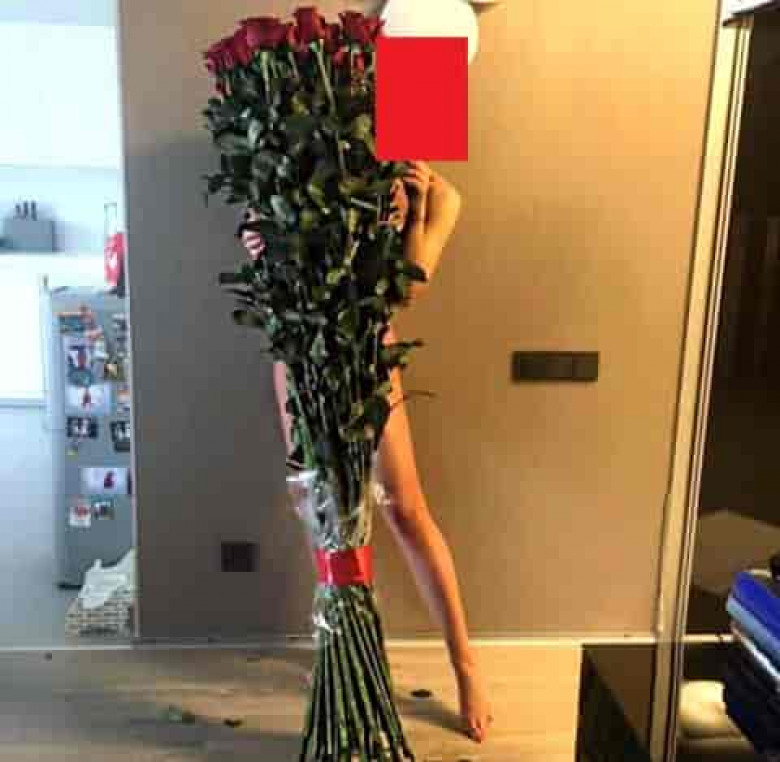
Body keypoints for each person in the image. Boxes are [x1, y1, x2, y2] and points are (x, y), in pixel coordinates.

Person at [243, 161, 493, 743]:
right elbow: (265, 258)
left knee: (405, 510)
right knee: (320, 507)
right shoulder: (302, 156)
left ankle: (466, 667)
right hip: (299, 350)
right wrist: (259, 245)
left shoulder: (433, 190)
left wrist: (417, 211)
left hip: (368, 354)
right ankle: (340, 646)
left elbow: (405, 291)